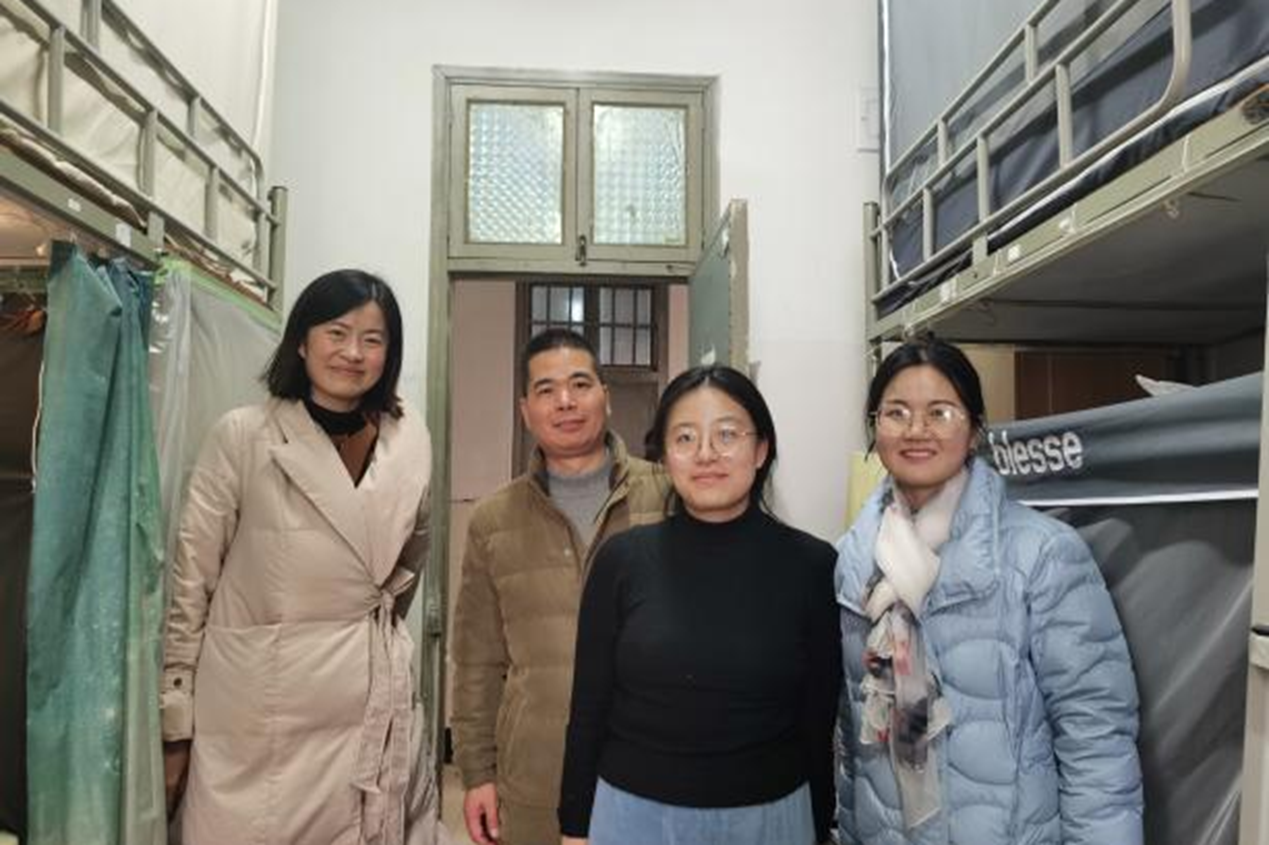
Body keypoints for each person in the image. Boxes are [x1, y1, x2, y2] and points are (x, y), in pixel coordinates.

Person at [161, 270, 447, 845]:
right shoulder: (243, 437)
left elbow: (405, 568)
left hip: (367, 698)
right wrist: (176, 710)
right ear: (301, 341)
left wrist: (358, 631)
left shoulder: (407, 443)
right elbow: (192, 584)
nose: (353, 353)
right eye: (336, 333)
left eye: (373, 339)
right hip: (262, 708)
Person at [835, 336, 1143, 845]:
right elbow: (852, 738)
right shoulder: (853, 560)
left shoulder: (1042, 555)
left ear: (975, 429)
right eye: (896, 413)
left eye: (940, 413)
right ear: (875, 427)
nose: (916, 430)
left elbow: (1095, 738)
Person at [558, 364, 842, 845]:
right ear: (665, 456)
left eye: (727, 434)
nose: (706, 453)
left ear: (761, 449)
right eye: (685, 438)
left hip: (771, 820)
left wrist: (818, 825)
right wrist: (574, 827)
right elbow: (588, 708)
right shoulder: (622, 561)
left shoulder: (812, 566)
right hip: (632, 817)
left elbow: (818, 719)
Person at [451, 328, 667, 845]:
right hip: (536, 777)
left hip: (653, 765)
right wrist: (477, 772)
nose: (565, 401)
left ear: (605, 398)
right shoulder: (493, 520)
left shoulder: (666, 495)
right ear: (526, 411)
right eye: (546, 390)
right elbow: (477, 660)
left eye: (580, 384)